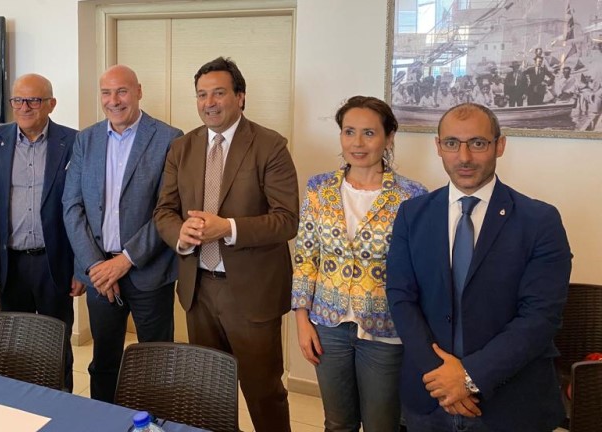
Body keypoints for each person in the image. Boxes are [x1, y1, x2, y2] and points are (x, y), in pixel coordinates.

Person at [386, 103, 572, 432]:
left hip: (509, 403)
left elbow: (540, 317)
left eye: (478, 143)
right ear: (438, 146)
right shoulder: (412, 215)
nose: (464, 157)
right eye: (452, 143)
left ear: (500, 145)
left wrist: (469, 377)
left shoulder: (539, 221)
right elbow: (401, 297)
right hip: (430, 397)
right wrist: (442, 378)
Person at [154, 57, 299, 432]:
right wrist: (180, 234)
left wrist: (228, 228)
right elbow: (164, 211)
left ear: (240, 97)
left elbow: (287, 219)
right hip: (198, 288)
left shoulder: (269, 145)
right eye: (202, 95)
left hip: (250, 293)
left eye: (218, 93)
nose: (209, 103)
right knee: (208, 393)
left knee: (263, 392)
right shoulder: (182, 148)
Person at [293, 96, 427, 432]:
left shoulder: (412, 196)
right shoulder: (319, 188)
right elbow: (306, 257)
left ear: (389, 137)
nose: (357, 143)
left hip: (385, 330)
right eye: (349, 132)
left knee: (383, 425)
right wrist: (302, 320)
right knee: (338, 423)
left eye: (369, 133)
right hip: (327, 324)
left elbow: (420, 272)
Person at [62, 65, 182, 403]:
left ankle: (155, 423)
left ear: (139, 91)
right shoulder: (86, 139)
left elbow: (168, 210)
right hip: (99, 274)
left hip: (149, 273)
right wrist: (95, 266)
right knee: (104, 365)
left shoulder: (169, 139)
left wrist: (125, 261)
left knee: (156, 367)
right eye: (106, 92)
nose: (113, 100)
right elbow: (72, 206)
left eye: (122, 91)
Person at [0, 74, 82, 390]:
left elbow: (83, 208)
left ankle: (61, 401)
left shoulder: (75, 142)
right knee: (16, 343)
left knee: (56, 341)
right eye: (18, 100)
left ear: (51, 104)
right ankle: (20, 401)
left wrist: (81, 267)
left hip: (55, 263)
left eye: (34, 100)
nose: (24, 107)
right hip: (11, 264)